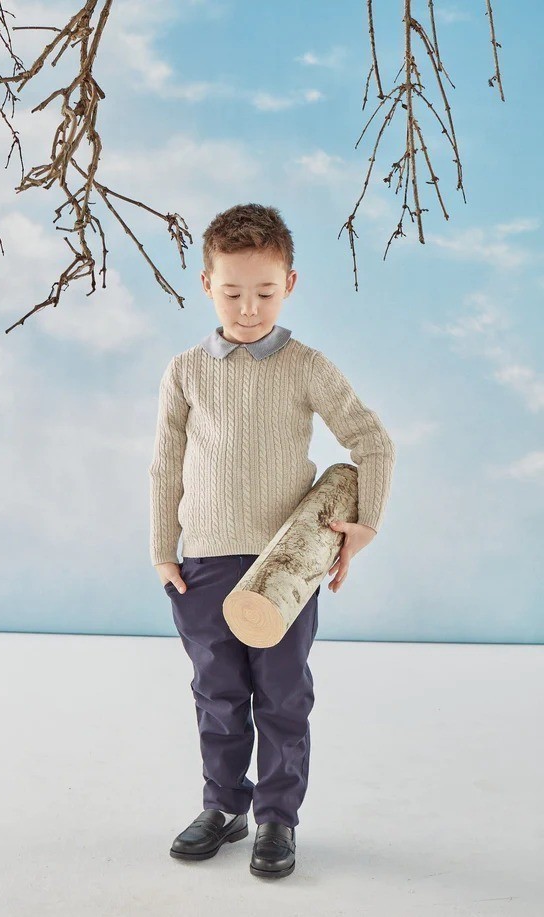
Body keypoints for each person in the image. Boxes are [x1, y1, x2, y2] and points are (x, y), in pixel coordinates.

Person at [148, 203, 396, 879]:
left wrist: (365, 524)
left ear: (290, 283)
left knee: (283, 695)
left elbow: (371, 441)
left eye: (264, 291)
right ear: (207, 284)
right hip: (202, 564)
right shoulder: (184, 370)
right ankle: (223, 806)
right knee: (217, 691)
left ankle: (278, 817)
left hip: (282, 568)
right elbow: (166, 465)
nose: (249, 308)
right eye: (232, 292)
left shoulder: (307, 366)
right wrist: (163, 550)